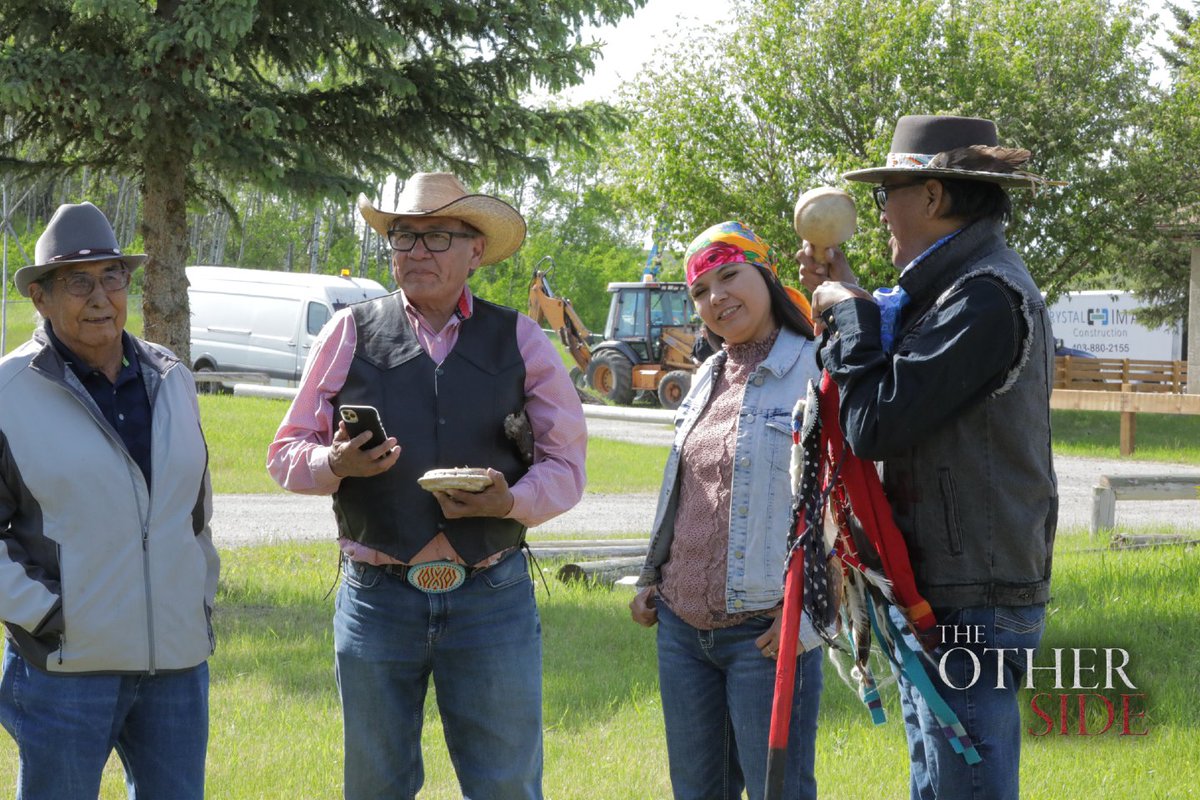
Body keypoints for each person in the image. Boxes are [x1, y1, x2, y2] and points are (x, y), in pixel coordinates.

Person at [267, 172, 587, 800]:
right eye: (403, 237)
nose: (415, 251)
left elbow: (567, 465)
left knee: (506, 787)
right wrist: (336, 464)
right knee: (374, 786)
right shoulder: (349, 331)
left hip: (491, 594)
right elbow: (284, 455)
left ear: (474, 250)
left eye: (435, 237)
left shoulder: (521, 338)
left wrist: (511, 502)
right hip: (377, 599)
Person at [796, 115, 1058, 800]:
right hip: (946, 581)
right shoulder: (951, 292)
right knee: (939, 782)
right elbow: (884, 383)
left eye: (889, 194)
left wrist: (848, 312)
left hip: (972, 589)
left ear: (935, 198)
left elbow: (875, 421)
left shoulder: (983, 296)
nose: (881, 213)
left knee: (961, 784)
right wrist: (848, 299)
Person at [0, 202, 219, 799]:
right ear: (40, 298)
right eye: (78, 282)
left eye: (112, 277)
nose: (100, 297)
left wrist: (196, 602)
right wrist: (49, 616)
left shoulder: (170, 377)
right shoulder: (7, 393)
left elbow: (194, 512)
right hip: (67, 670)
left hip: (175, 666)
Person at [631, 221, 825, 800]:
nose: (717, 298)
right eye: (701, 291)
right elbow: (683, 491)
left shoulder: (817, 370)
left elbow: (848, 507)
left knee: (778, 792)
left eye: (730, 276)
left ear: (765, 275)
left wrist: (812, 618)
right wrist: (650, 578)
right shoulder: (706, 376)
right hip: (680, 628)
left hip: (765, 631)